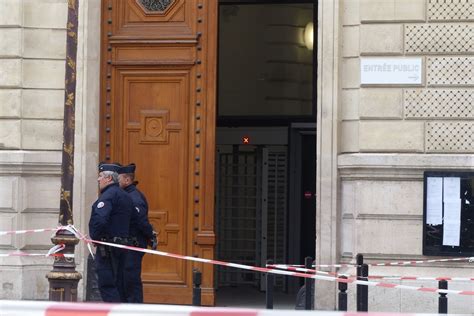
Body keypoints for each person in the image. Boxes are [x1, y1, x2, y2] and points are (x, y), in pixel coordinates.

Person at [89, 162, 134, 302]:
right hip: (122, 248)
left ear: (108, 179)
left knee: (107, 285)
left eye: (101, 176)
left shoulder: (108, 196)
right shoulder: (125, 196)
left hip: (108, 249)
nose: (98, 179)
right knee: (119, 285)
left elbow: (100, 220)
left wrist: (95, 237)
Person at [118, 163, 157, 303]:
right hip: (127, 246)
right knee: (125, 281)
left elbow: (142, 221)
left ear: (127, 180)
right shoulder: (127, 195)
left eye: (119, 179)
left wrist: (150, 236)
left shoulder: (134, 197)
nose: (117, 181)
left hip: (133, 246)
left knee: (131, 281)